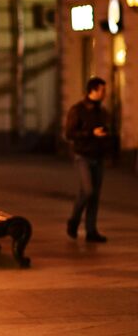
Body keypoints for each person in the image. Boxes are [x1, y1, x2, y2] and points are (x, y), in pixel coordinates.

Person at [65, 77, 111, 242]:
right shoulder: (78, 110)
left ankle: (91, 230)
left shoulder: (102, 111)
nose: (105, 93)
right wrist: (91, 133)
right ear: (93, 90)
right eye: (102, 90)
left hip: (98, 156)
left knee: (95, 195)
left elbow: (106, 131)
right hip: (82, 156)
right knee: (88, 190)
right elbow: (69, 134)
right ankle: (74, 221)